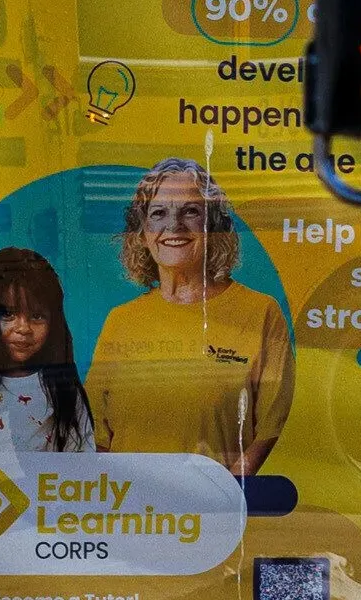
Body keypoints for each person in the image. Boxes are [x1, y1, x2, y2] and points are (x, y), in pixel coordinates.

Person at [85, 157, 294, 475]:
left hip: (211, 512)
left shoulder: (261, 313)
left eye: (190, 211)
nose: (174, 226)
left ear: (214, 226)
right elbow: (96, 433)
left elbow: (271, 427)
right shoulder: (120, 320)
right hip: (128, 512)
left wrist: (226, 496)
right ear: (142, 234)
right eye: (158, 214)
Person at [0, 248, 92, 452]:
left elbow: (83, 460)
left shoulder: (62, 389)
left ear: (54, 323)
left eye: (37, 316)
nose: (23, 328)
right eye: (8, 314)